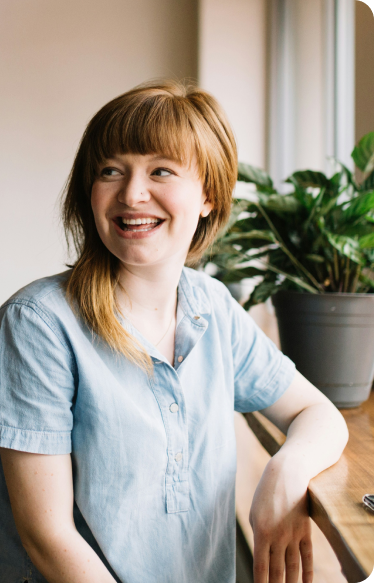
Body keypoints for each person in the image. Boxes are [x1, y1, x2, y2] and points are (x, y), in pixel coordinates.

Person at [0, 80, 348, 583]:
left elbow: (317, 412)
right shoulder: (38, 323)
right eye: (110, 171)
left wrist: (285, 471)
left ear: (208, 194)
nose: (131, 193)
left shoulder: (214, 307)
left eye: (160, 170)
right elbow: (47, 535)